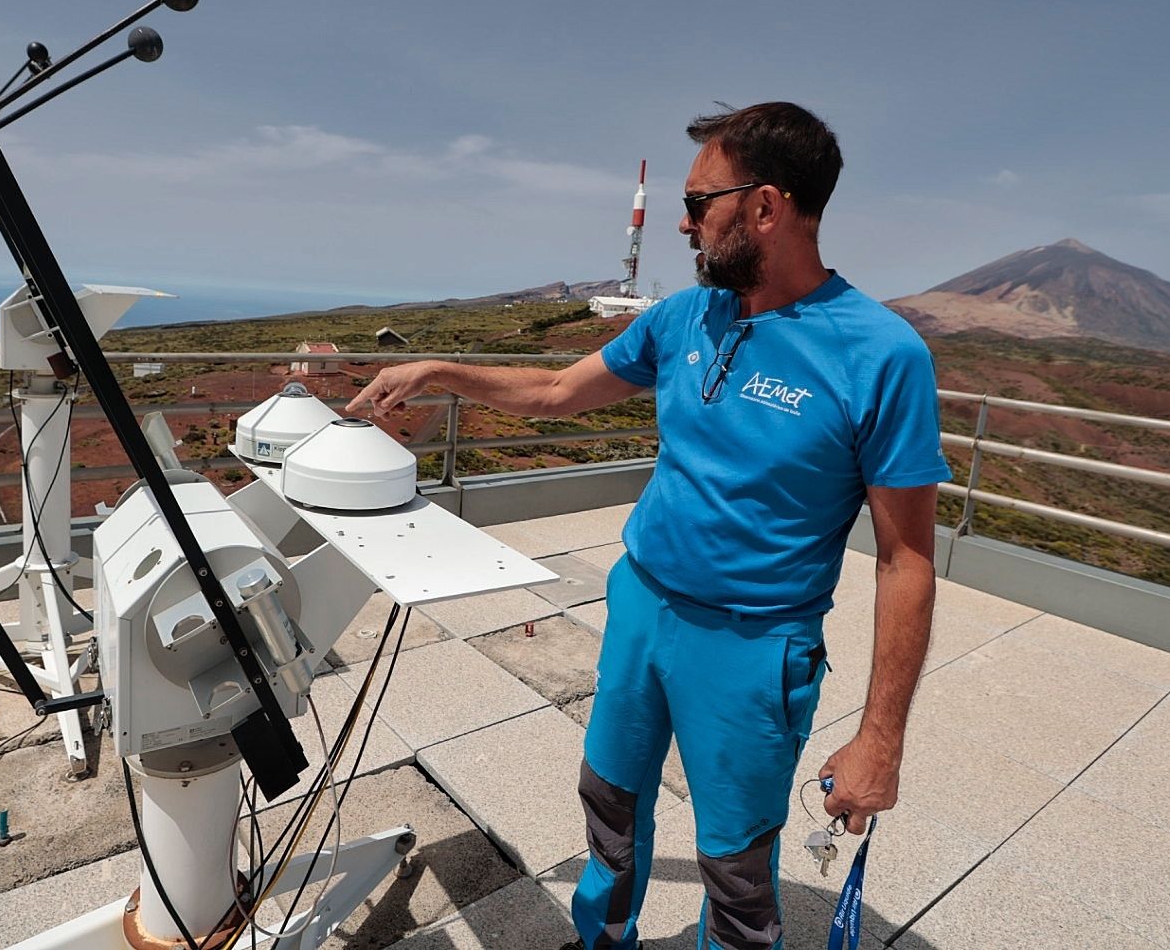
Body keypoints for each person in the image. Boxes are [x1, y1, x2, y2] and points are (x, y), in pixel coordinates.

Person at [345, 102, 949, 949]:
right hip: (641, 606)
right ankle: (602, 940)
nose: (682, 221)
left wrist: (879, 738)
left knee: (736, 863)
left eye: (700, 202)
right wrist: (440, 370)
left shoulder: (880, 354)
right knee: (609, 800)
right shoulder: (683, 319)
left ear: (766, 207)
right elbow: (556, 393)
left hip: (754, 644)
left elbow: (905, 558)